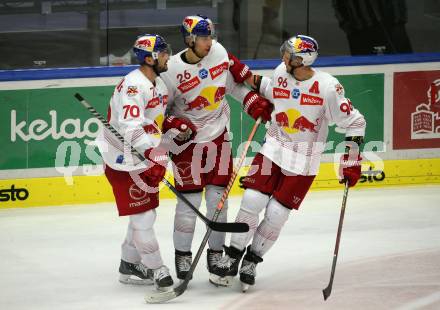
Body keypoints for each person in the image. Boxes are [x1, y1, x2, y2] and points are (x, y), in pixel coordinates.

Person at [211, 35, 367, 291]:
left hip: (304, 160)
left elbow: (356, 122)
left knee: (276, 214)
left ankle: (252, 260)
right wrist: (241, 71)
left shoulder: (328, 87)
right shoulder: (281, 71)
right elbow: (269, 88)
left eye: (289, 54)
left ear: (302, 60)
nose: (283, 57)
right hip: (273, 148)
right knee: (252, 200)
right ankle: (233, 255)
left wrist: (351, 159)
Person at [159, 14, 274, 285]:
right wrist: (174, 123)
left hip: (219, 139)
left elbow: (232, 86)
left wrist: (252, 102)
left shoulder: (219, 52)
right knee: (189, 204)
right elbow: (160, 113)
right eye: (203, 38)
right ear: (189, 39)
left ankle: (215, 253)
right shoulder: (171, 71)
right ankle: (183, 254)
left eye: (210, 36)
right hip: (187, 145)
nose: (209, 42)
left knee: (218, 201)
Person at [95, 34, 174, 292]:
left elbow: (155, 121)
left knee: (146, 213)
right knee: (142, 217)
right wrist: (151, 154)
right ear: (149, 58)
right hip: (121, 160)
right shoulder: (133, 86)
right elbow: (129, 127)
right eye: (162, 54)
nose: (167, 57)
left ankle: (129, 264)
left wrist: (175, 127)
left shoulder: (159, 83)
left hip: (142, 157)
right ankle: (157, 268)